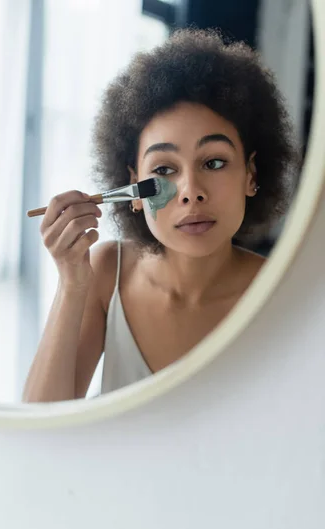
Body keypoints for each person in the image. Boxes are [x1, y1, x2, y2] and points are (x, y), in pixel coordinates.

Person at [23, 27, 300, 403]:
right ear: (135, 190)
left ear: (251, 175)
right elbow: (42, 425)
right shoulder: (108, 273)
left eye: (214, 162)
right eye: (164, 170)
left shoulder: (284, 294)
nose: (191, 192)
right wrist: (72, 284)